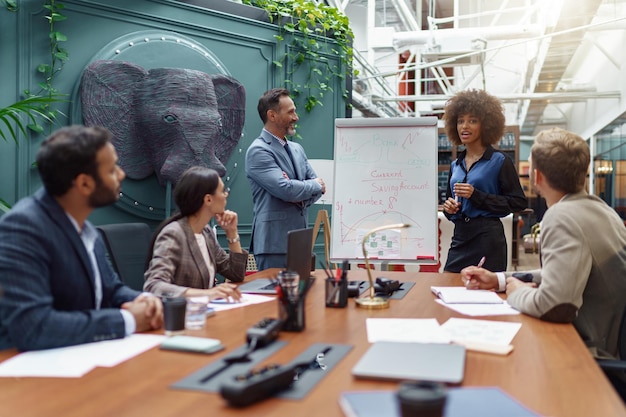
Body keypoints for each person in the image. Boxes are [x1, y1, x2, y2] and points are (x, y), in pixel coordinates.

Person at [461, 127, 626, 361]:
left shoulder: (562, 216)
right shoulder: (601, 209)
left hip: (588, 354)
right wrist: (500, 279)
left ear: (537, 177)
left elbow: (556, 304)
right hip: (605, 342)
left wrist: (514, 292)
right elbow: (559, 272)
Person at [0, 125, 163, 352]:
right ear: (84, 183)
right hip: (31, 377)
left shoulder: (86, 229)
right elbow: (34, 327)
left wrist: (144, 300)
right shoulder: (24, 227)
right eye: (112, 169)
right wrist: (127, 320)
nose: (121, 174)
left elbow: (112, 290)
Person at [441, 89, 527, 272]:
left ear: (486, 125)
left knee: (486, 294)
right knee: (448, 284)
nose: (465, 126)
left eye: (473, 120)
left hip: (488, 238)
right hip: (460, 236)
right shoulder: (455, 165)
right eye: (460, 121)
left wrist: (477, 195)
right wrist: (449, 209)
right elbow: (451, 204)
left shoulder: (500, 161)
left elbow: (518, 202)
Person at [245, 88, 325, 270]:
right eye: (290, 112)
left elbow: (317, 189)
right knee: (274, 297)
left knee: (302, 297)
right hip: (274, 246)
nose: (296, 117)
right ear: (272, 115)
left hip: (300, 243)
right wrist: (310, 186)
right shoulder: (258, 150)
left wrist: (300, 189)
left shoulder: (297, 149)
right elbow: (286, 190)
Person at [144, 166, 247, 301]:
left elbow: (236, 274)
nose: (225, 195)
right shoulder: (174, 234)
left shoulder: (206, 232)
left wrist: (232, 232)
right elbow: (154, 286)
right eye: (222, 191)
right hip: (182, 317)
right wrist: (208, 294)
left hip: (206, 313)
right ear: (208, 199)